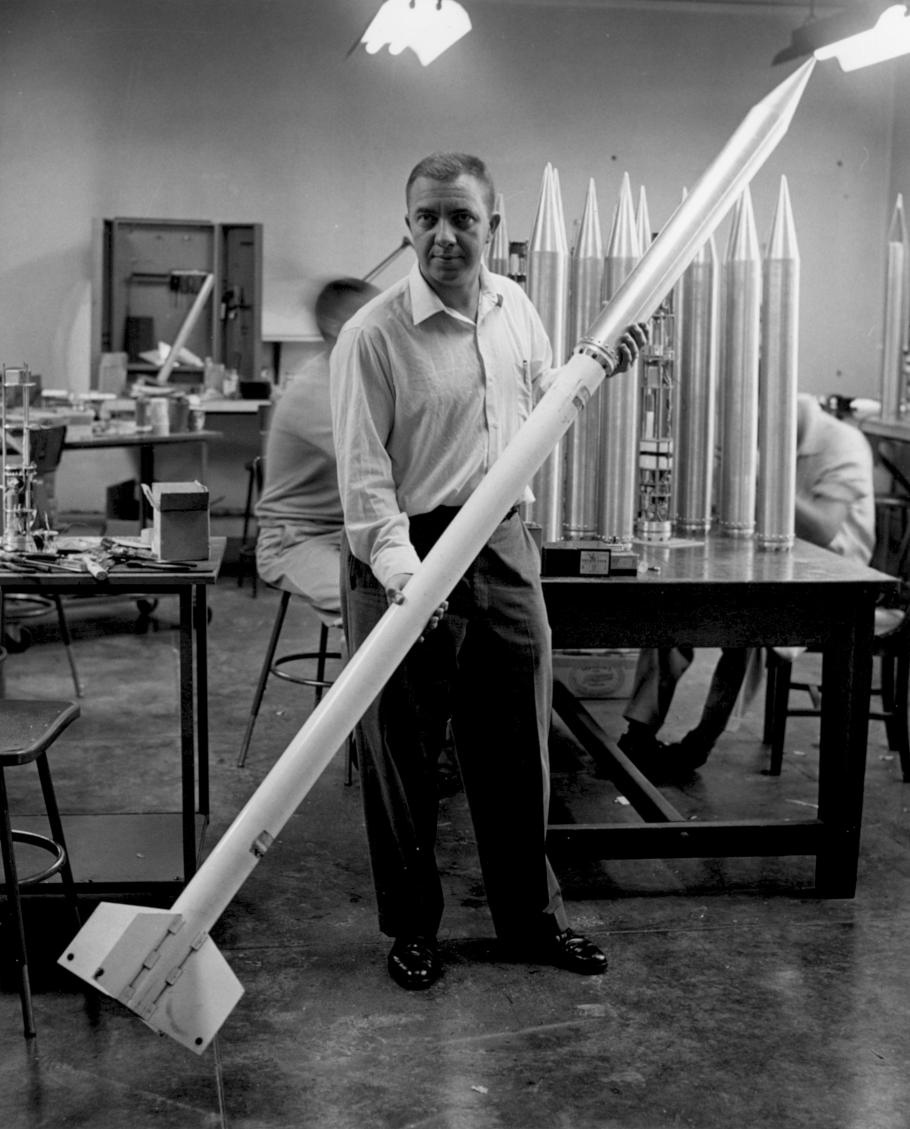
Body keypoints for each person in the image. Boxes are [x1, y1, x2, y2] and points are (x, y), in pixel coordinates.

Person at [330, 151, 647, 991]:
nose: (443, 235)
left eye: (462, 217)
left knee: (516, 743)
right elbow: (364, 494)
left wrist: (597, 371)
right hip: (402, 548)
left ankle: (531, 921)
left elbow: (542, 405)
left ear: (493, 229)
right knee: (403, 756)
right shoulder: (372, 337)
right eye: (427, 218)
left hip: (502, 544)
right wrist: (411, 581)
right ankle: (413, 929)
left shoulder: (516, 307)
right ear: (407, 229)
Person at [618, 392, 876, 781]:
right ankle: (638, 733)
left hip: (831, 581)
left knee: (752, 631)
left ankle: (698, 745)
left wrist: (758, 476)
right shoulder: (772, 439)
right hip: (779, 564)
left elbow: (823, 529)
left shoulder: (842, 443)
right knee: (671, 606)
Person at [255, 278, 378, 625]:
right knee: (375, 608)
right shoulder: (317, 391)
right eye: (374, 315)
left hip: (348, 536)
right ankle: (358, 681)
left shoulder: (358, 376)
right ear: (336, 327)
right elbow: (376, 466)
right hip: (296, 540)